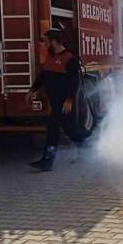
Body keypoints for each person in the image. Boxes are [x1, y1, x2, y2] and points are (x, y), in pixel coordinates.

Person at [25, 29, 84, 172]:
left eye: (45, 41)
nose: (43, 44)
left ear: (53, 41)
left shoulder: (69, 58)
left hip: (64, 103)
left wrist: (69, 100)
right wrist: (32, 90)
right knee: (70, 129)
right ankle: (87, 150)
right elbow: (43, 77)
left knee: (53, 129)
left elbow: (74, 82)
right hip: (55, 102)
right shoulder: (50, 57)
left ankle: (47, 161)